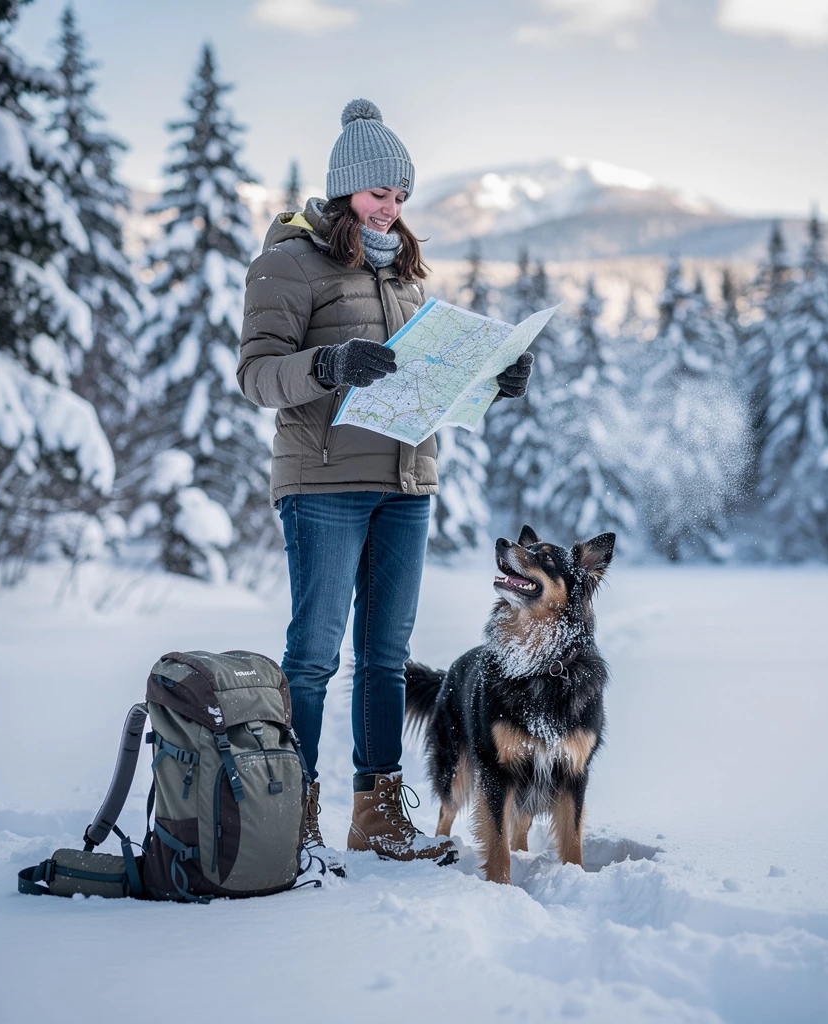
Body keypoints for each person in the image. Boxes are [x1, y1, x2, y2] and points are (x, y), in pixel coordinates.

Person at [236, 99, 533, 871]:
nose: (392, 209)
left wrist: (491, 380)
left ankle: (377, 816)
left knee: (386, 659)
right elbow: (257, 375)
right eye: (379, 195)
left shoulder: (404, 273)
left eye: (401, 197)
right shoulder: (286, 264)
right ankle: (290, 813)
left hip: (407, 484)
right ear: (343, 191)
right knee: (312, 657)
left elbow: (429, 377)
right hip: (325, 482)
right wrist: (328, 366)